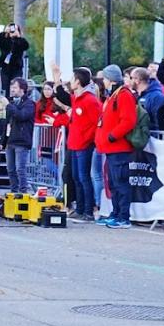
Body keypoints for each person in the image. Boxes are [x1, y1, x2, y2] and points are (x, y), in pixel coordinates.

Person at [49, 67, 101, 221]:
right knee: (76, 177)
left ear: (78, 82)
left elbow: (96, 122)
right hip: (74, 143)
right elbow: (63, 96)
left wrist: (88, 140)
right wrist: (56, 78)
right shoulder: (77, 98)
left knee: (84, 178)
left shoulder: (90, 100)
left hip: (84, 144)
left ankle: (88, 210)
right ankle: (80, 208)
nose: (70, 82)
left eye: (72, 79)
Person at [94, 64, 137, 229]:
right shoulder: (114, 95)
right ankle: (116, 212)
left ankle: (123, 217)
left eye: (104, 78)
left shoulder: (123, 95)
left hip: (118, 147)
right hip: (111, 148)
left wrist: (112, 136)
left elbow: (128, 121)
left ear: (111, 79)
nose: (103, 81)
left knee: (120, 182)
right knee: (114, 183)